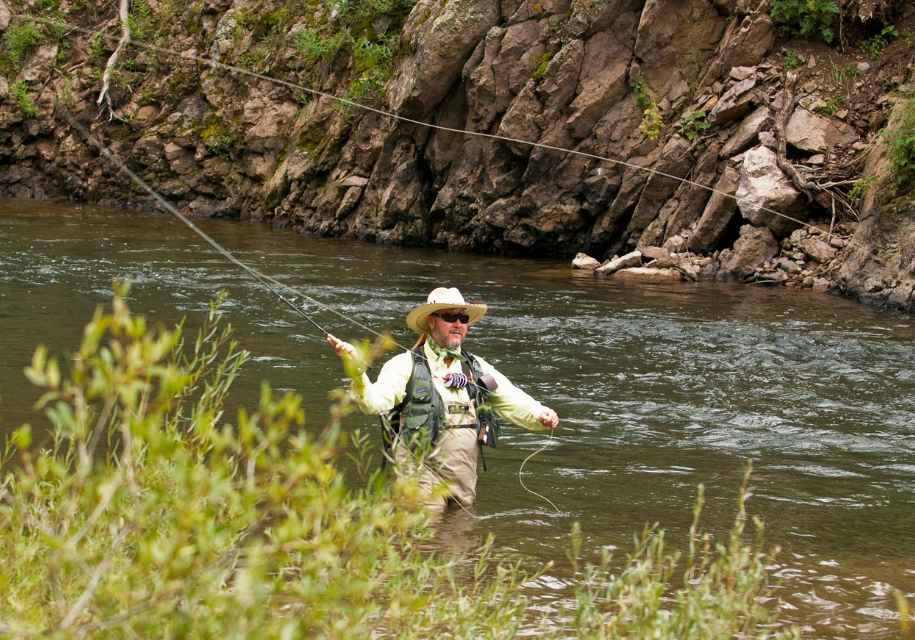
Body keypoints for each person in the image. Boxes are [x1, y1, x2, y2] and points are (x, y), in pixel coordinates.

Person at [327, 286, 559, 509]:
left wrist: (539, 414)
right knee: (426, 543)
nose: (458, 323)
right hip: (420, 482)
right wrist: (357, 371)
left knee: (463, 542)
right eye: (450, 316)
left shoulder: (476, 367)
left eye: (463, 318)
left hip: (464, 483)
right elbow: (373, 402)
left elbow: (510, 398)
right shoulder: (404, 365)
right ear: (431, 321)